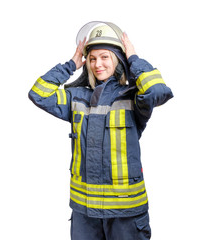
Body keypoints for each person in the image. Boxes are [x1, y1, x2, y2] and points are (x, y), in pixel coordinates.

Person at [28, 21, 173, 240]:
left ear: (118, 60)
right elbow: (38, 94)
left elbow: (158, 91)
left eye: (105, 57)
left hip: (126, 214)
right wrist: (69, 65)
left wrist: (133, 59)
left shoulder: (133, 97)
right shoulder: (76, 97)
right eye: (93, 58)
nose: (98, 64)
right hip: (85, 214)